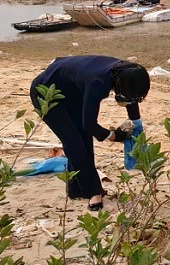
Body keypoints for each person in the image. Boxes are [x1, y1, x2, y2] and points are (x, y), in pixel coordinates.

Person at [30, 56, 150, 211]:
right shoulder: (98, 83)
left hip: (71, 90)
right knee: (73, 141)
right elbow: (90, 125)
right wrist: (113, 136)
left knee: (83, 137)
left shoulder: (125, 71)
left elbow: (130, 99)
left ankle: (77, 189)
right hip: (46, 94)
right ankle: (93, 191)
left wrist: (137, 125)